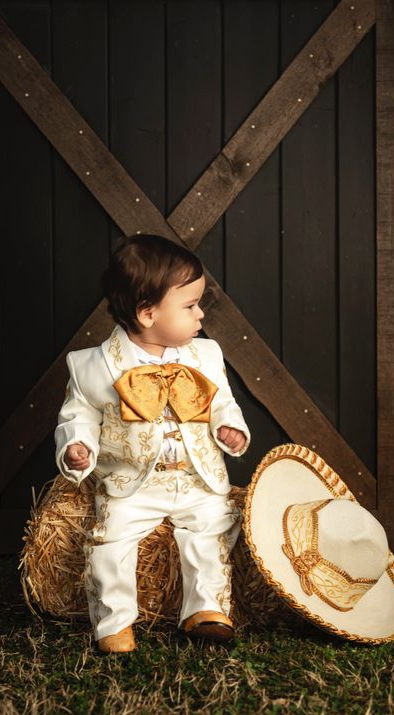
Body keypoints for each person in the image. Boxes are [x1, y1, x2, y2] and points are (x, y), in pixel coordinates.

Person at [54, 234, 251, 653]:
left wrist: (229, 426)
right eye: (190, 305)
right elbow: (78, 415)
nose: (201, 313)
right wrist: (77, 445)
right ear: (147, 313)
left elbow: (223, 402)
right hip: (132, 486)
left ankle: (207, 609)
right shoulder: (92, 366)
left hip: (198, 482)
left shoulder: (206, 355)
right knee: (111, 541)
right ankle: (114, 623)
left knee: (213, 530)